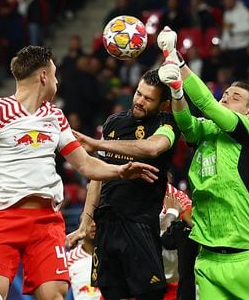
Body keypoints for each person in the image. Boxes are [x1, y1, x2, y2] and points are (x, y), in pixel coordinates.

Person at [0, 45, 159, 300]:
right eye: (55, 75)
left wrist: (121, 170)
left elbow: (85, 164)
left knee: (54, 295)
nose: (57, 81)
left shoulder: (55, 116)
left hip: (47, 222)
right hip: (3, 219)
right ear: (44, 76)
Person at [156, 26, 249, 299]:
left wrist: (176, 59)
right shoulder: (207, 130)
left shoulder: (248, 133)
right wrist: (177, 92)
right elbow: (187, 123)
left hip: (248, 258)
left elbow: (206, 104)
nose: (225, 98)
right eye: (224, 94)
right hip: (209, 261)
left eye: (234, 98)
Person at [68, 69, 180, 299]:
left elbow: (151, 148)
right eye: (138, 93)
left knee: (150, 294)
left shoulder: (166, 123)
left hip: (139, 224)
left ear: (163, 104)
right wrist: (84, 222)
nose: (139, 101)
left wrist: (97, 144)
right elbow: (97, 177)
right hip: (106, 226)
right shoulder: (114, 123)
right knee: (113, 294)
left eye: (148, 98)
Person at [66, 219, 103, 300]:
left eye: (97, 220)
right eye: (89, 220)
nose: (93, 224)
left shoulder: (115, 256)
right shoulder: (68, 260)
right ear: (80, 226)